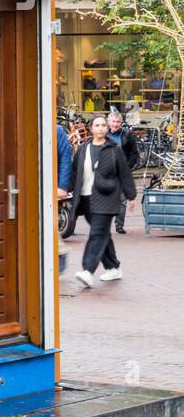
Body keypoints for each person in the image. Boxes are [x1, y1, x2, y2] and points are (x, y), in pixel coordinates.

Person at [66, 114, 137, 289]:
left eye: (103, 125)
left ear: (106, 128)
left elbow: (124, 173)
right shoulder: (83, 148)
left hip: (107, 197)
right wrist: (63, 190)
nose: (100, 128)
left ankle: (88, 271)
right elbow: (75, 172)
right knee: (102, 232)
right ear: (91, 128)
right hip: (86, 198)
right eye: (97, 125)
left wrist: (131, 195)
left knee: (97, 232)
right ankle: (113, 267)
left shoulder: (114, 149)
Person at [105, 110, 139, 234]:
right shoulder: (102, 135)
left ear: (121, 123)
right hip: (106, 172)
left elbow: (134, 154)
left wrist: (127, 167)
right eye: (113, 121)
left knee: (122, 200)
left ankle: (119, 225)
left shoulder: (127, 135)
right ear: (108, 122)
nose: (115, 124)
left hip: (121, 172)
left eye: (118, 122)